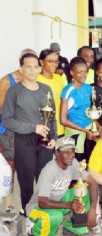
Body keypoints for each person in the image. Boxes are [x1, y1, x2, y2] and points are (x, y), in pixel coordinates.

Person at [3, 53, 57, 216]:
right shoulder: (14, 91)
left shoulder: (46, 90)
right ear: (21, 68)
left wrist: (54, 138)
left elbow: (52, 117)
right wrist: (33, 128)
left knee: (44, 178)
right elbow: (7, 120)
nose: (32, 70)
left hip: (45, 141)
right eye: (28, 66)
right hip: (23, 141)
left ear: (39, 68)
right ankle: (28, 211)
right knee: (26, 181)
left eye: (35, 66)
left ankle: (43, 209)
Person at [26, 137, 99, 236]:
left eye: (72, 151)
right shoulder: (49, 170)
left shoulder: (73, 163)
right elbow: (42, 202)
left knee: (84, 192)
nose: (71, 155)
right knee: (56, 216)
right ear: (57, 153)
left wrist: (93, 208)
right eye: (66, 152)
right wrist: (69, 205)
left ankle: (72, 228)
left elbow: (93, 182)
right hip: (37, 207)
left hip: (59, 201)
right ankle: (36, 234)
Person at [0, 48, 36, 213]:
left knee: (28, 166)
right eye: (28, 65)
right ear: (21, 64)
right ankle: (7, 204)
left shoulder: (36, 80)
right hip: (11, 131)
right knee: (11, 166)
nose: (32, 69)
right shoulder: (7, 81)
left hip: (31, 130)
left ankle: (26, 203)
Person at [60, 57, 95, 161]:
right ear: (72, 72)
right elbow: (63, 120)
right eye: (80, 72)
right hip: (74, 132)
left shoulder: (88, 88)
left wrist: (96, 126)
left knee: (89, 163)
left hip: (89, 130)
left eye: (85, 71)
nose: (83, 75)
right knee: (76, 165)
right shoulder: (68, 90)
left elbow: (92, 111)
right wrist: (85, 131)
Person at [37, 49, 66, 136]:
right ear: (41, 62)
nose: (54, 64)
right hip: (43, 129)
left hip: (60, 127)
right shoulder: (35, 79)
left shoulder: (59, 78)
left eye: (56, 61)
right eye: (50, 61)